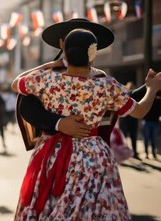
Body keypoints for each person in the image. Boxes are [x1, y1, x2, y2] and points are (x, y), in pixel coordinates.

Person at [8, 29, 161, 221]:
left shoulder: (46, 79)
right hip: (92, 155)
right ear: (92, 54)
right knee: (90, 210)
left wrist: (49, 65)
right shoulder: (106, 86)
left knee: (50, 208)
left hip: (51, 152)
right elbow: (139, 111)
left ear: (64, 51)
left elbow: (17, 83)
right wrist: (152, 88)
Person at [16, 18, 147, 150]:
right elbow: (27, 108)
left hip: (92, 146)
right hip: (57, 147)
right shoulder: (48, 74)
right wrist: (58, 123)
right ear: (62, 43)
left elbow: (125, 100)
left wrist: (147, 87)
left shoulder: (100, 77)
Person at [119, 82, 140, 159]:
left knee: (133, 137)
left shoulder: (133, 95)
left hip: (132, 120)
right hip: (126, 120)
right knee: (125, 137)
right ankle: (125, 153)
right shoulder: (124, 94)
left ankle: (134, 152)